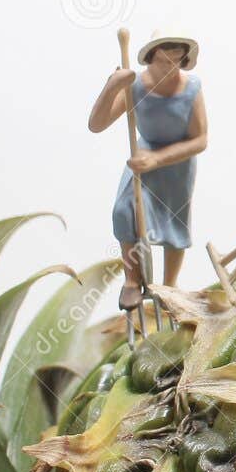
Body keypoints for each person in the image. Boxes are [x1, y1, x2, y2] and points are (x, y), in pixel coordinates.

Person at [87, 28, 208, 307]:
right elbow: (96, 125)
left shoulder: (192, 89)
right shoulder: (136, 87)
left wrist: (159, 160)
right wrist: (113, 86)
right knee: (123, 211)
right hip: (143, 156)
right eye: (165, 61)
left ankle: (170, 287)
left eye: (177, 61)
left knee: (175, 226)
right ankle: (132, 280)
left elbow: (200, 140)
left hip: (178, 163)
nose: (171, 67)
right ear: (151, 59)